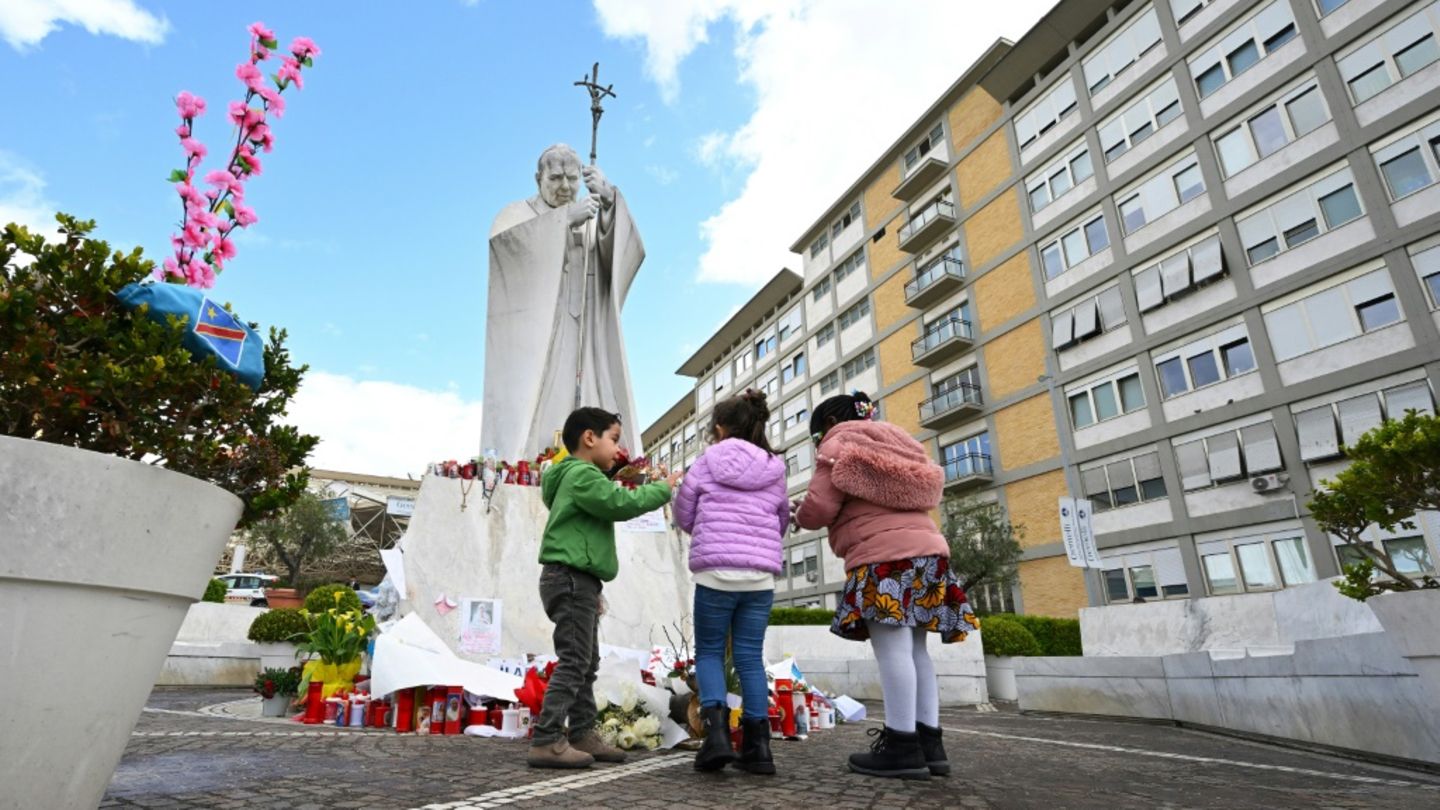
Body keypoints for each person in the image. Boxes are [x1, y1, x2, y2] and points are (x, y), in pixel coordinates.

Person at [794, 392, 978, 780]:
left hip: (884, 559)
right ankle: (931, 744)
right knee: (916, 651)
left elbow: (819, 509)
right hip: (929, 554)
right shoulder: (899, 441)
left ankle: (901, 745)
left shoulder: (840, 441)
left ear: (828, 422)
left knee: (892, 650)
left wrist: (798, 511)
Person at [526, 407, 681, 769]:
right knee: (575, 660)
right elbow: (619, 503)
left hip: (576, 579)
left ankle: (581, 733)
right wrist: (663, 488)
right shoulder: (581, 474)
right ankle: (547, 739)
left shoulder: (573, 475)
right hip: (571, 578)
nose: (617, 449)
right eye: (614, 439)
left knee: (586, 661)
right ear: (589, 438)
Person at [482, 144, 646, 461]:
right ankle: (532, 458)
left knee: (590, 398)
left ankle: (593, 459)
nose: (565, 187)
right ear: (538, 178)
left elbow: (625, 254)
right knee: (541, 399)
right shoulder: (517, 215)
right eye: (555, 178)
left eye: (572, 178)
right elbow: (505, 252)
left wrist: (611, 200)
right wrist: (563, 221)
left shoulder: (589, 215)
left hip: (587, 332)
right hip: (541, 331)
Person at [672, 389, 788, 774]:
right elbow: (782, 518)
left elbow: (684, 513)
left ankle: (717, 738)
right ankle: (759, 750)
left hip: (715, 574)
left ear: (719, 429)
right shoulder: (774, 467)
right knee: (750, 657)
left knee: (708, 653)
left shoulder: (705, 463)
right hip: (759, 579)